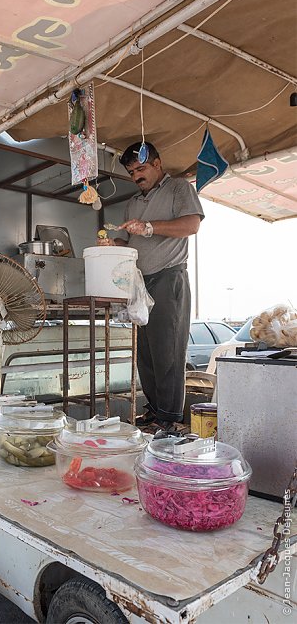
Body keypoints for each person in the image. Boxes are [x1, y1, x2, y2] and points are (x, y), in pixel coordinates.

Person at [98, 141, 204, 432]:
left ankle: (169, 418)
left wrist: (149, 227)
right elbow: (131, 245)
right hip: (140, 284)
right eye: (132, 172)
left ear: (157, 163)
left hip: (169, 277)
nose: (136, 177)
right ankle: (155, 411)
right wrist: (114, 244)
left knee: (168, 350)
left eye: (141, 169)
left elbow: (191, 225)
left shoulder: (179, 188)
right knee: (144, 352)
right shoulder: (133, 203)